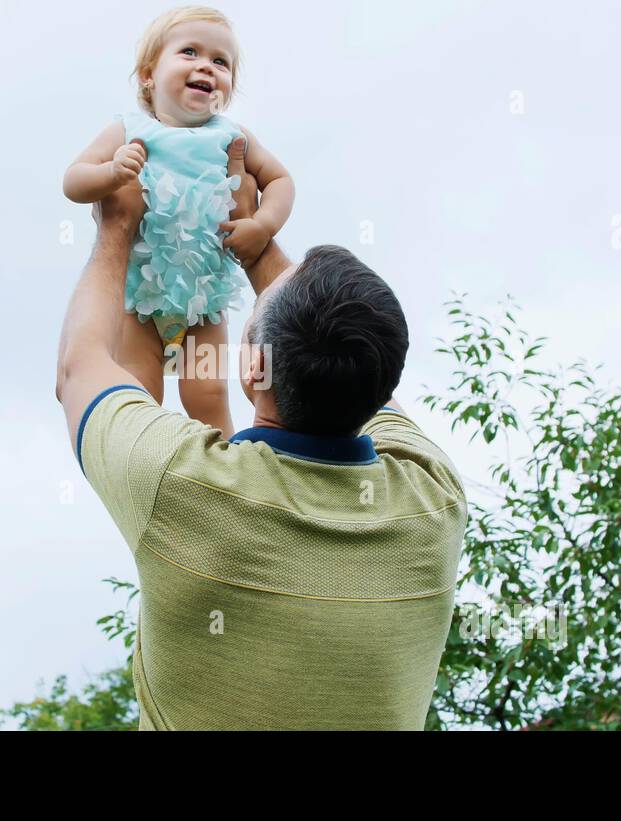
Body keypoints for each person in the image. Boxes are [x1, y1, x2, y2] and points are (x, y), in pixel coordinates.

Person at [54, 138, 467, 730]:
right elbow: (365, 373)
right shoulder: (433, 501)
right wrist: (257, 246)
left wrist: (116, 228)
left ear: (252, 370)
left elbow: (79, 368)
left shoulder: (180, 483)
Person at [62, 6, 293, 438]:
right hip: (141, 299)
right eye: (189, 52)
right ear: (149, 75)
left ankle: (222, 462)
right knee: (140, 386)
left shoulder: (231, 135)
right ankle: (147, 455)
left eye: (221, 62)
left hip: (203, 304)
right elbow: (73, 181)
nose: (206, 65)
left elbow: (280, 180)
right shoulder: (130, 130)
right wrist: (111, 172)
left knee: (207, 394)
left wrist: (263, 225)